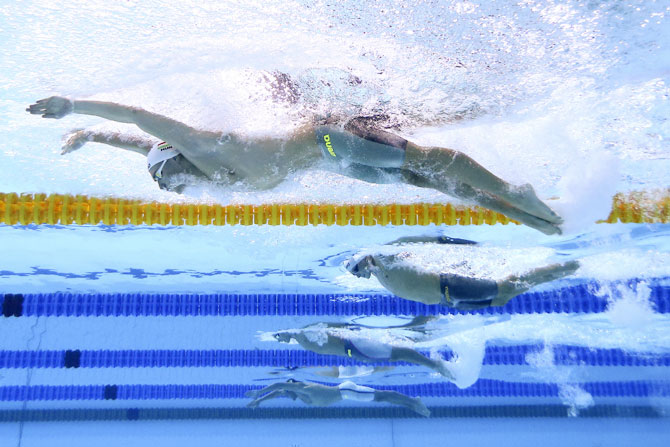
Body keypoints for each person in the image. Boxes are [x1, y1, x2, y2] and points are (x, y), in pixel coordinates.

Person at [27, 95, 563, 234]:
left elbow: (139, 119)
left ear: (179, 158)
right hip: (336, 164)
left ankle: (515, 190)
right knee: (431, 184)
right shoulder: (207, 177)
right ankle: (522, 214)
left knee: (423, 159)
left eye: (167, 179)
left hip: (330, 140)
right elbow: (135, 144)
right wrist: (89, 136)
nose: (169, 190)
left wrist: (75, 106)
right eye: (165, 186)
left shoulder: (203, 147)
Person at [346, 235, 580, 310]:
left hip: (449, 286)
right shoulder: (378, 273)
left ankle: (568, 266)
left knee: (507, 288)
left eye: (356, 270)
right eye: (355, 274)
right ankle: (565, 269)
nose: (358, 275)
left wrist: (448, 241)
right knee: (502, 298)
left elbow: (416, 240)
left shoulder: (383, 255)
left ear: (362, 259)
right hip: (447, 300)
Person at [272, 319, 455, 380]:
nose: (284, 340)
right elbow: (337, 328)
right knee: (399, 345)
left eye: (281, 338)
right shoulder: (305, 334)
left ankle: (434, 363)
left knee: (399, 350)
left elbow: (335, 335)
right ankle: (427, 330)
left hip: (356, 347)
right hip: (355, 344)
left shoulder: (305, 337)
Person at [246, 378, 431, 417]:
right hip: (347, 394)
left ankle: (414, 402)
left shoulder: (304, 388)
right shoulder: (300, 395)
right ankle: (413, 403)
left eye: (287, 391)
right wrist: (260, 401)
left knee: (384, 396)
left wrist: (257, 392)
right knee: (383, 398)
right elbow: (278, 392)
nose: (285, 395)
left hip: (348, 392)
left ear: (291, 386)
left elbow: (279, 386)